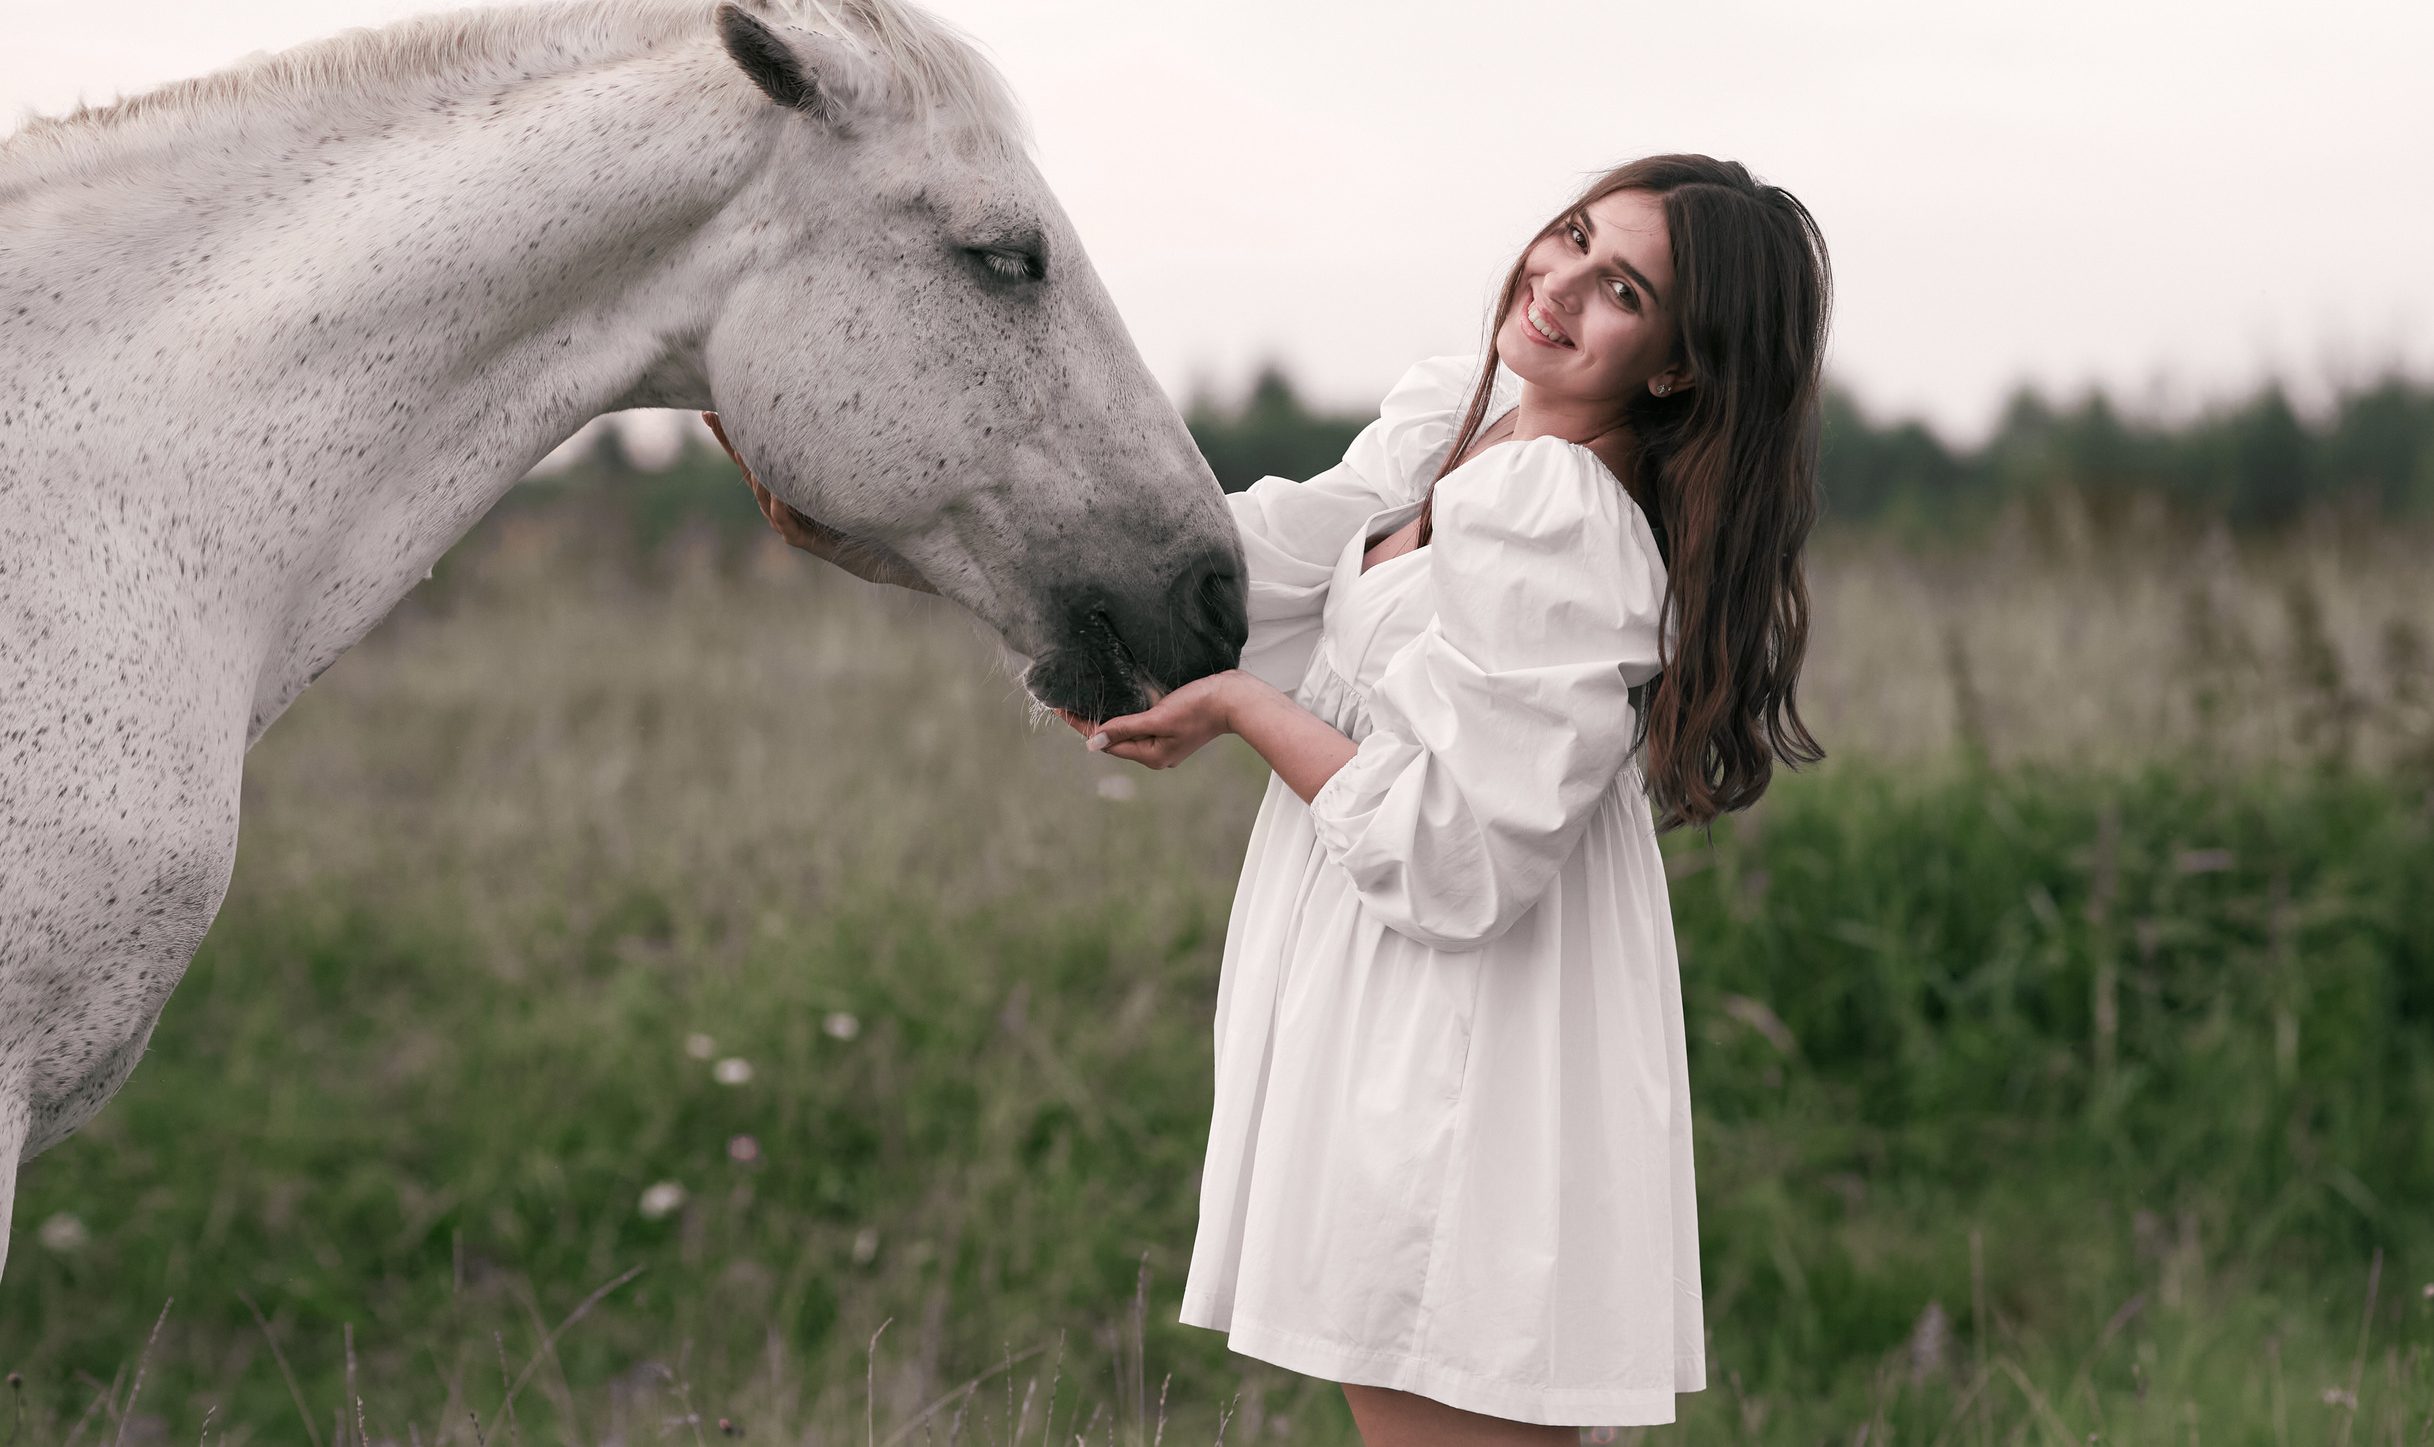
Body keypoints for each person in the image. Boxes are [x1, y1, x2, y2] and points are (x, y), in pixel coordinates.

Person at [718, 153, 1831, 1446]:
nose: (1560, 284)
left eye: (1621, 287)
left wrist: (1247, 714)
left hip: (1467, 1040)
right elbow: (1234, 583)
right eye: (1572, 237)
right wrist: (891, 529)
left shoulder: (1558, 509)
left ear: (1677, 367)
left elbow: (1455, 855)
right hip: (1392, 1015)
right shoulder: (1454, 434)